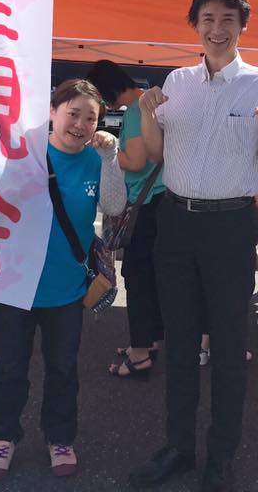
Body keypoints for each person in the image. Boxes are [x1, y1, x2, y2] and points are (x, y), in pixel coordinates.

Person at [129, 0, 258, 492]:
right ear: (195, 26)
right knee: (178, 340)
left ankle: (221, 454)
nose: (217, 29)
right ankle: (178, 446)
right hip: (176, 221)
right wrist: (146, 114)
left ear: (243, 26)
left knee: (227, 343)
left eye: (227, 19)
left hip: (230, 225)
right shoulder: (176, 81)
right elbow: (157, 153)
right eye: (208, 19)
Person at [0, 79, 126, 482]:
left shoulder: (95, 159)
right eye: (72, 113)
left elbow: (114, 205)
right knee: (10, 368)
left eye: (90, 118)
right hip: (14, 285)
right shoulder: (22, 151)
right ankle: (2, 438)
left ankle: (60, 438)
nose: (80, 124)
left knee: (63, 369)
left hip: (65, 288)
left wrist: (111, 157)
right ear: (52, 112)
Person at [86, 59, 165, 380]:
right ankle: (148, 341)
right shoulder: (152, 104)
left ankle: (140, 353)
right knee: (152, 277)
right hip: (161, 201)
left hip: (145, 204)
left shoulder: (135, 111)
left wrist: (104, 150)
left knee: (137, 277)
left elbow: (135, 162)